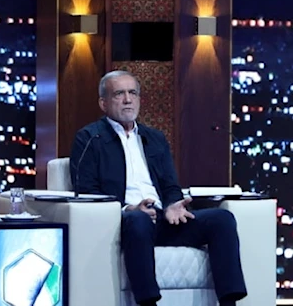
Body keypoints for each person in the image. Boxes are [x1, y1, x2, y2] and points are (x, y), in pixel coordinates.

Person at [70, 70, 247, 306]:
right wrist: (129, 208)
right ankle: (148, 302)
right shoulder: (90, 138)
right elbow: (86, 191)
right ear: (103, 103)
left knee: (222, 219)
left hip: (163, 219)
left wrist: (174, 205)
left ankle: (229, 302)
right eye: (119, 94)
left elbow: (170, 185)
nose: (127, 100)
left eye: (133, 93)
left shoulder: (154, 138)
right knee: (139, 221)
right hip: (121, 222)